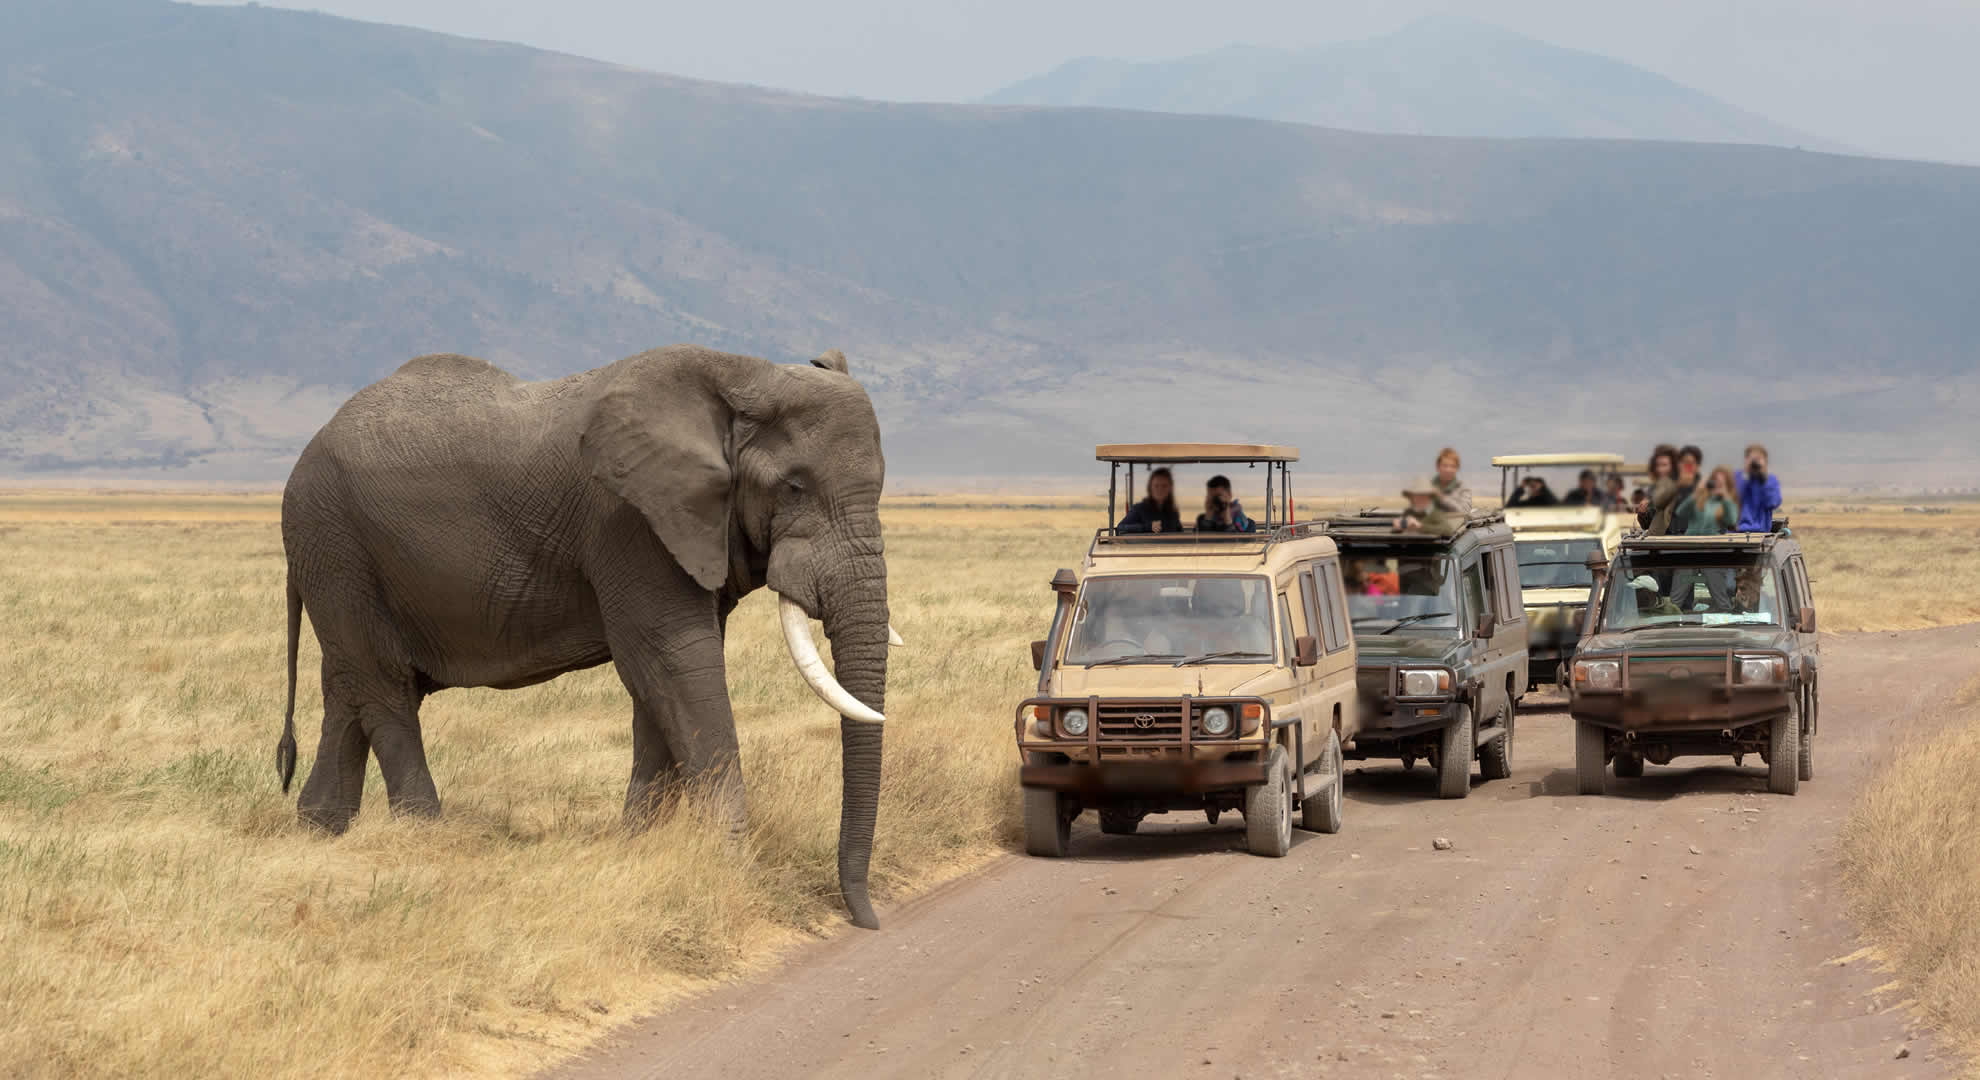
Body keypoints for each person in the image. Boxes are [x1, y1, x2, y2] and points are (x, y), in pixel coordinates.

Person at [1116, 467, 1182, 534]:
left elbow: (1179, 532)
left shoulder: (1173, 512)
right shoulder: (1139, 509)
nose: (1160, 489)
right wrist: (1147, 527)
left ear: (1170, 488)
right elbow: (1120, 528)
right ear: (1150, 488)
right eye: (1156, 486)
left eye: (1164, 486)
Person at [1736, 443, 1783, 532]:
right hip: (1735, 530)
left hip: (1760, 531)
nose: (1755, 463)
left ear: (1765, 462)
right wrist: (1746, 475)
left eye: (1758, 459)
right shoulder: (1737, 477)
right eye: (1752, 459)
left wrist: (1764, 480)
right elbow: (1733, 500)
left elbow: (1773, 503)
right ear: (1746, 460)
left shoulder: (1771, 480)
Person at [1662, 446, 1705, 535]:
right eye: (1684, 463)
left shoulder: (1706, 489)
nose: (1687, 467)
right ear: (1679, 464)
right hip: (1669, 542)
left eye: (1691, 463)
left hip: (1697, 542)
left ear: (1697, 466)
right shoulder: (1667, 486)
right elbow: (1650, 520)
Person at [1395, 478, 1460, 535]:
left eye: (1424, 495)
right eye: (1417, 495)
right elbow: (1398, 531)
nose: (1420, 498)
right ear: (1412, 497)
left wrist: (1420, 526)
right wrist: (1398, 527)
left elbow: (1448, 530)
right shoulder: (1408, 512)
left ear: (1429, 497)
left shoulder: (1435, 513)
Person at [1641, 443, 1679, 531]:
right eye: (1658, 465)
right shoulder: (1653, 489)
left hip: (1680, 540)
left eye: (1664, 465)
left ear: (1674, 466)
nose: (1660, 469)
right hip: (1659, 541)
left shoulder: (1682, 487)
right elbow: (1646, 525)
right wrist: (1642, 514)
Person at [1431, 447, 1473, 516]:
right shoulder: (1428, 486)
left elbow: (1465, 511)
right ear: (1437, 467)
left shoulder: (1463, 489)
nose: (1448, 470)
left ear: (1457, 468)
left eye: (1452, 466)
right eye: (1445, 466)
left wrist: (1441, 497)